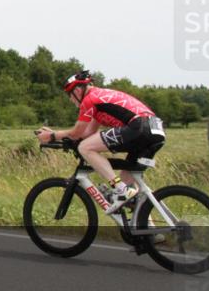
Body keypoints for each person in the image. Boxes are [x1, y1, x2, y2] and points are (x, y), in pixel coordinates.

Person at [37, 70, 166, 214]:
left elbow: (77, 133)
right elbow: (88, 133)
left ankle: (120, 188)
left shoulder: (89, 99)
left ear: (78, 90)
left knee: (85, 148)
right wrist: (59, 136)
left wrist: (53, 136)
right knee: (128, 188)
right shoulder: (101, 98)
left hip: (139, 127)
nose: (70, 99)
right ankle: (149, 231)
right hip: (155, 129)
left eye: (70, 94)